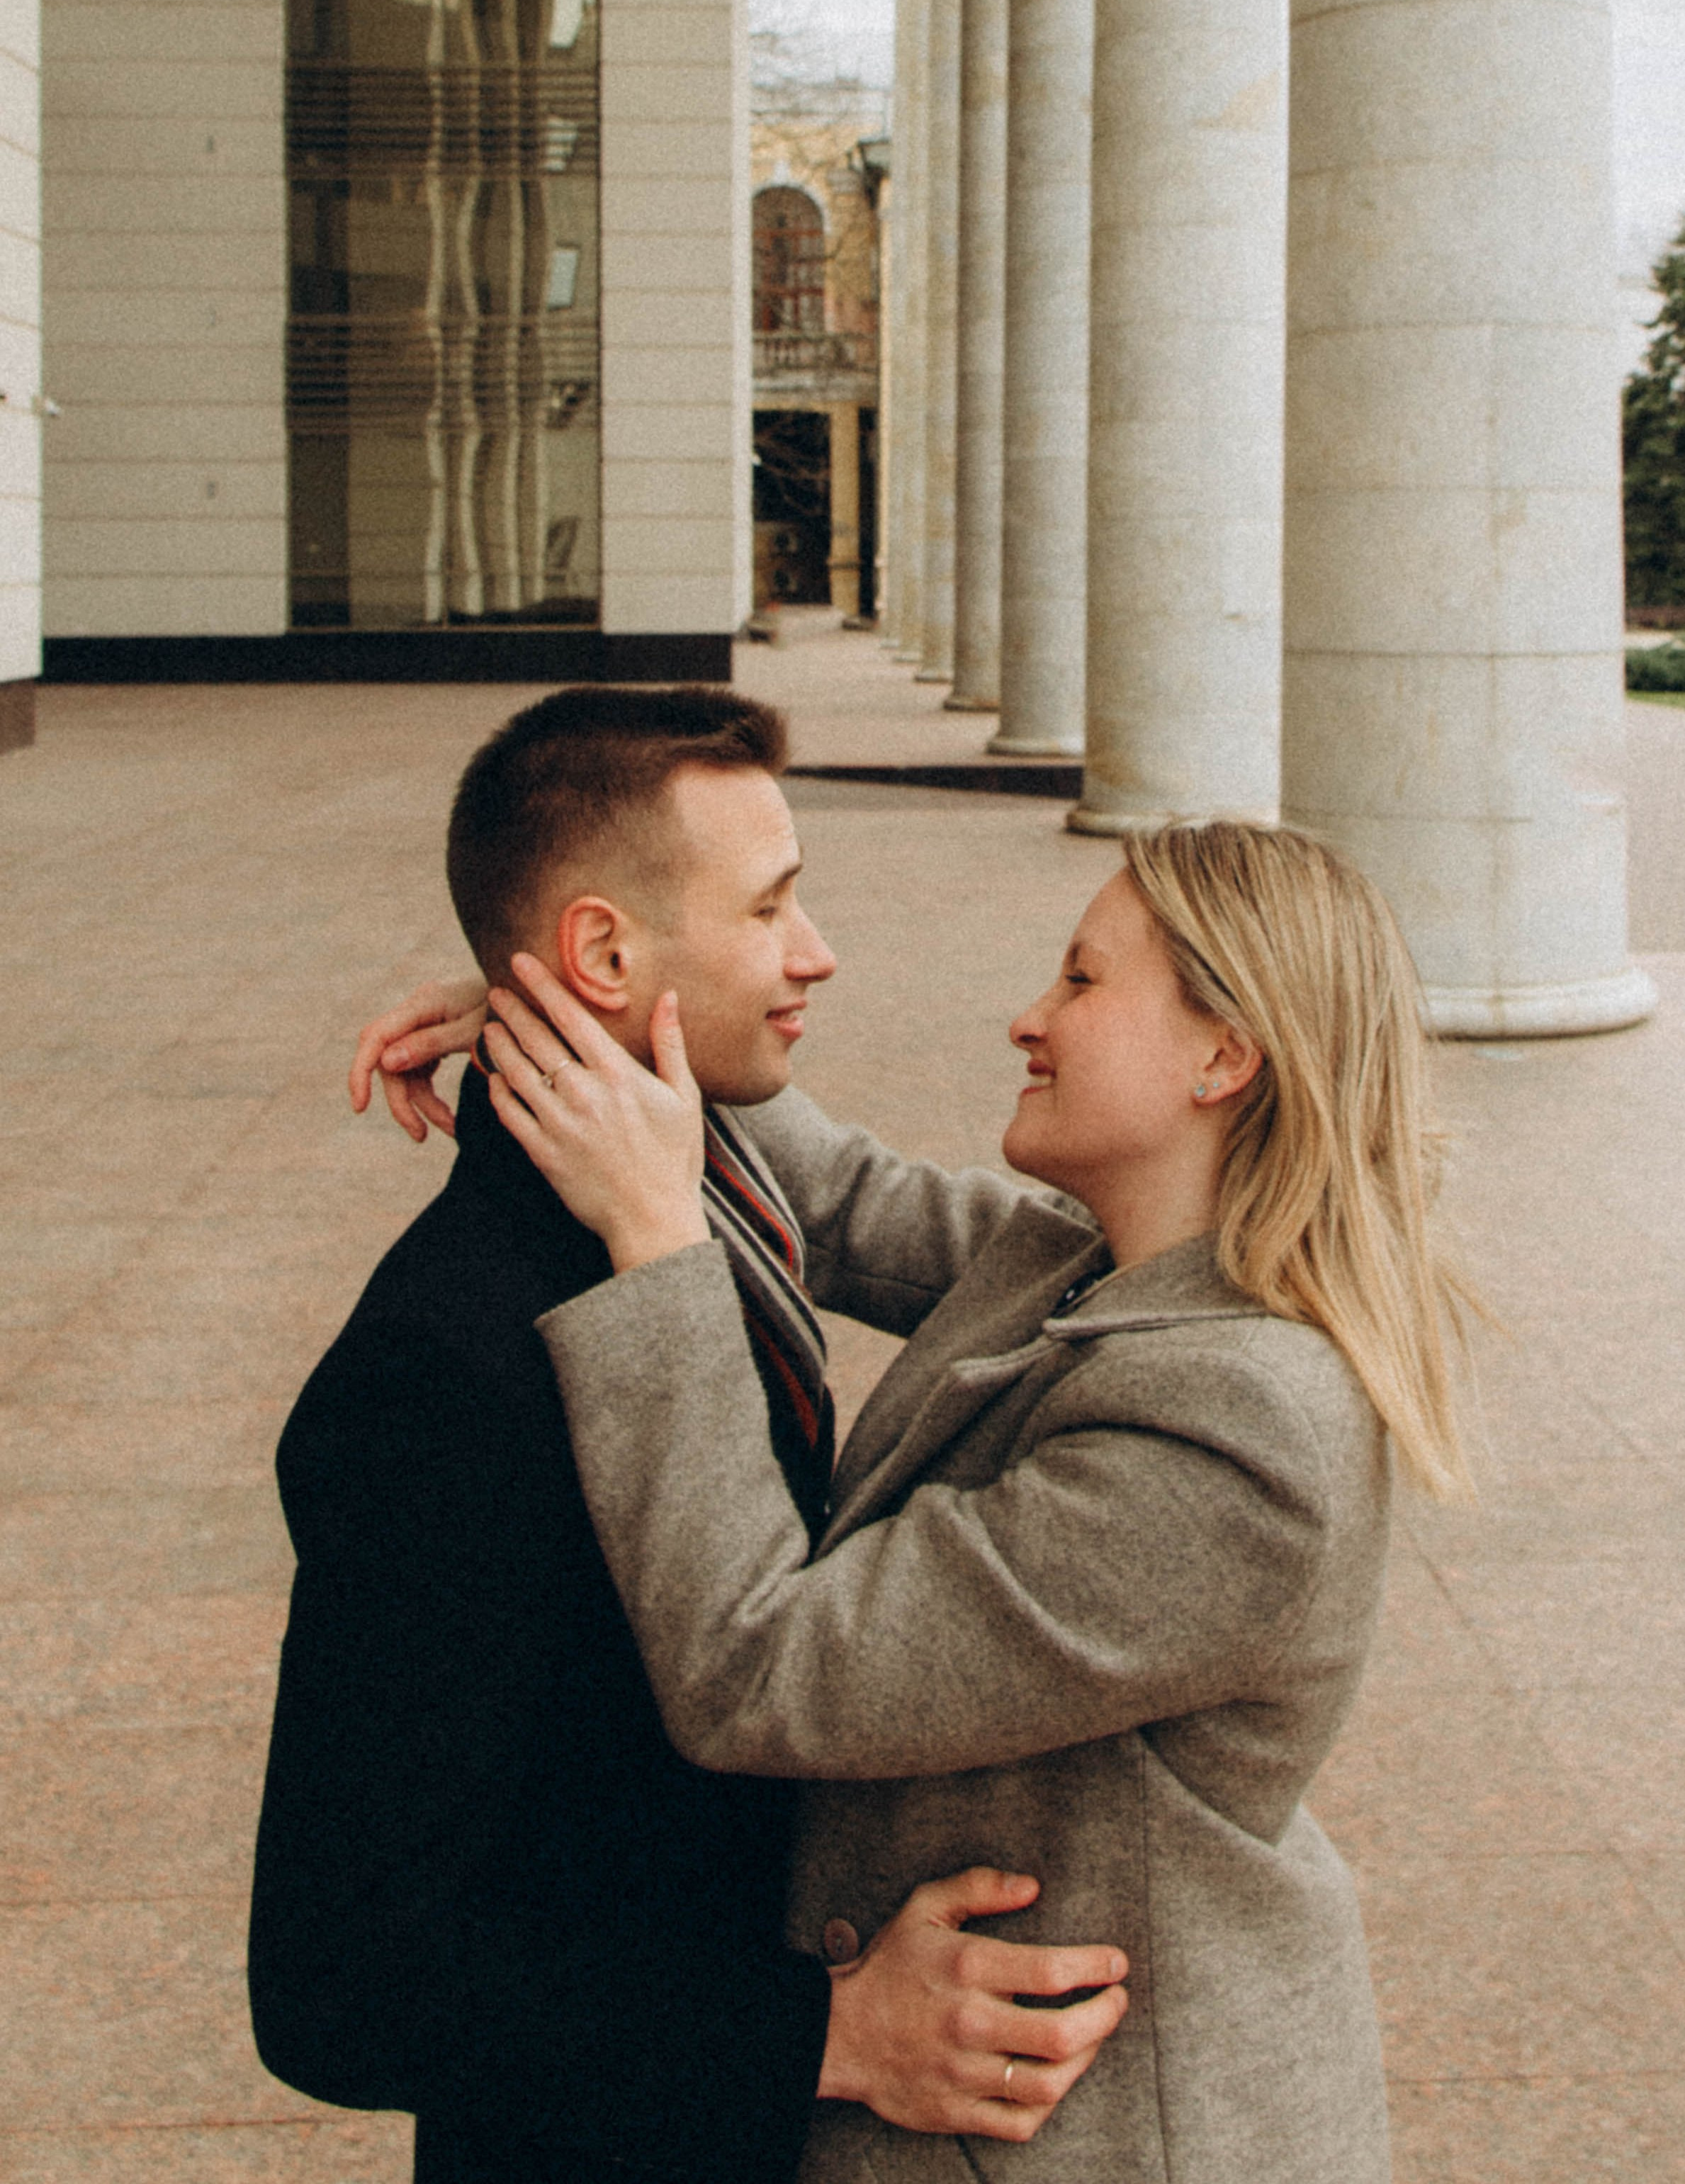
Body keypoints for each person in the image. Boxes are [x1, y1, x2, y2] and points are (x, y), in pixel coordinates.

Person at [399, 815, 1480, 2184]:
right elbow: (844, 1201)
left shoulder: (1236, 1435)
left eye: (1083, 983)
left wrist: (656, 1245)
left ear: (1226, 1054)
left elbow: (761, 1666)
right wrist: (593, 1021)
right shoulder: (1100, 1259)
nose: (1029, 1016)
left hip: (1096, 2134)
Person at [249, 686, 1129, 2184]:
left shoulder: (687, 1196)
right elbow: (343, 1982)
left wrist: (554, 1020)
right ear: (605, 951)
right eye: (773, 905)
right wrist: (826, 2033)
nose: (817, 951)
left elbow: (885, 1215)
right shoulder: (449, 1367)